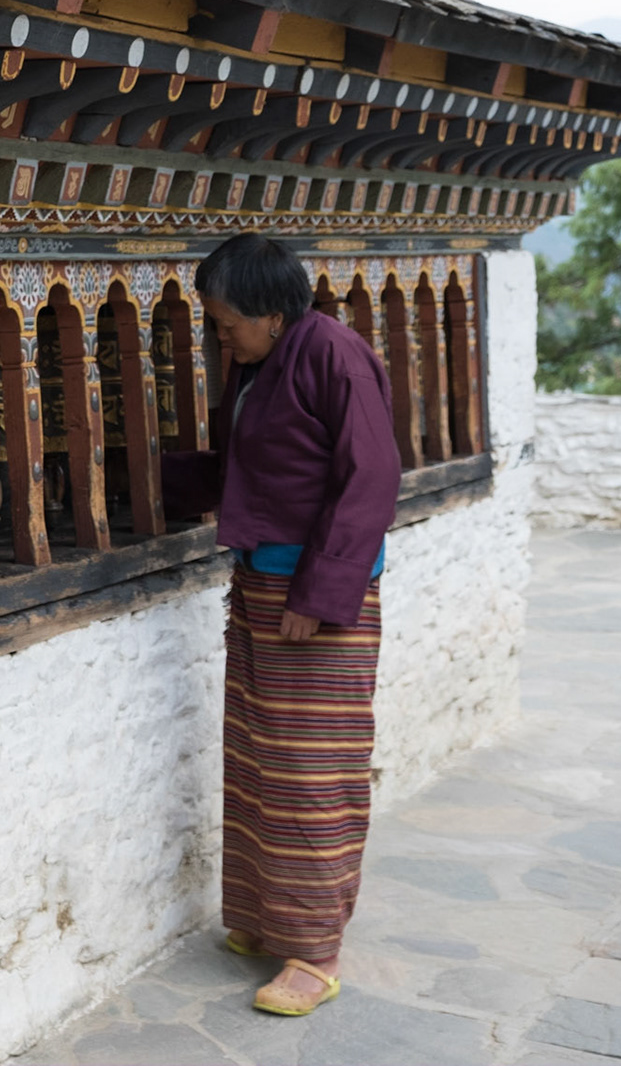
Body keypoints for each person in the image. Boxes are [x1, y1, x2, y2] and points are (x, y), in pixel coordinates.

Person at [162, 233, 402, 1016]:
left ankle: (315, 952)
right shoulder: (257, 365)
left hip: (316, 606)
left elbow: (371, 478)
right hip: (260, 591)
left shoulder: (334, 355)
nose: (220, 335)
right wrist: (134, 475)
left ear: (271, 312)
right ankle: (267, 917)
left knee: (312, 774)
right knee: (259, 761)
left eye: (227, 322)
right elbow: (244, 469)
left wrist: (317, 595)